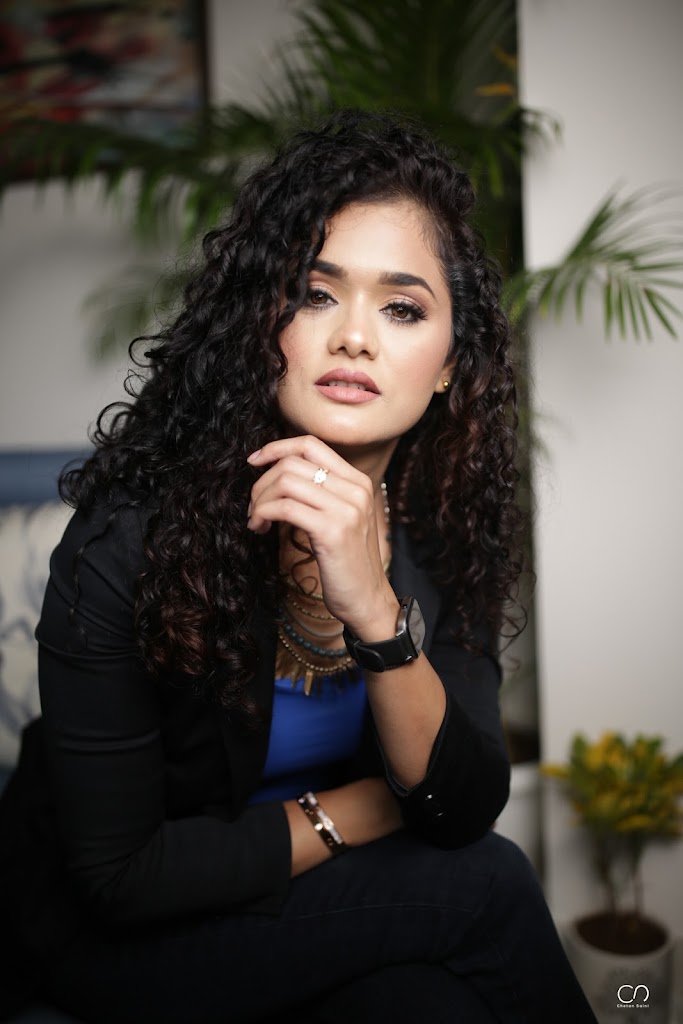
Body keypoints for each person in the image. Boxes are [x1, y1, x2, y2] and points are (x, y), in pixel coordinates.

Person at [0, 110, 597, 1023]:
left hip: (314, 901)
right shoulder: (125, 543)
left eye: (402, 308)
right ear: (260, 322)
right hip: (123, 933)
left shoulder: (443, 529)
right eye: (316, 295)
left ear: (448, 364)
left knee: (432, 1007)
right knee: (485, 885)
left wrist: (374, 612)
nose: (354, 337)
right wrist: (375, 808)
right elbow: (121, 876)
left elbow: (462, 801)